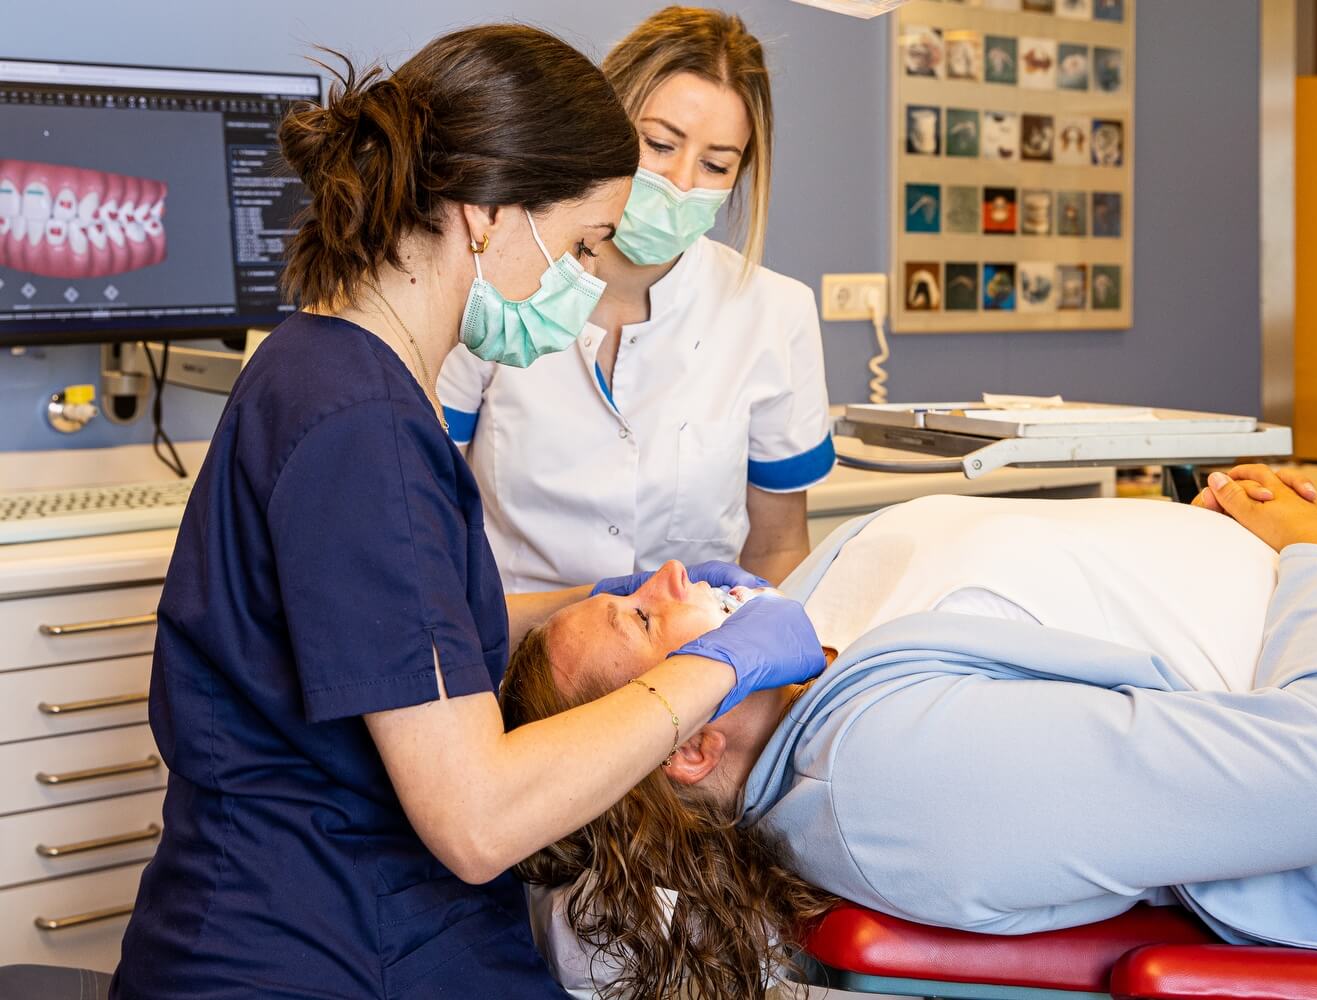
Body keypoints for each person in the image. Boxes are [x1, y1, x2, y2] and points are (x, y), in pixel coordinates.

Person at [109, 26, 826, 999]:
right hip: (315, 944)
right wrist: (710, 668)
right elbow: (476, 819)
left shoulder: (336, 374)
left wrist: (597, 596)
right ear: (489, 215)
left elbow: (404, 629)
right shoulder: (362, 427)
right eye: (580, 244)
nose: (580, 280)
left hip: (362, 915)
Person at [499, 470, 1317, 1000]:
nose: (670, 576)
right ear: (688, 744)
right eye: (641, 619)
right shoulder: (884, 781)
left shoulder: (814, 669)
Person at [438, 7, 835, 593]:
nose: (679, 182)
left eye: (715, 163)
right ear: (602, 124)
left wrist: (746, 664)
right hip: (511, 655)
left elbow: (777, 546)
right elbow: (431, 522)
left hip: (690, 664)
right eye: (657, 144)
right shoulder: (495, 283)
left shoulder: (775, 313)